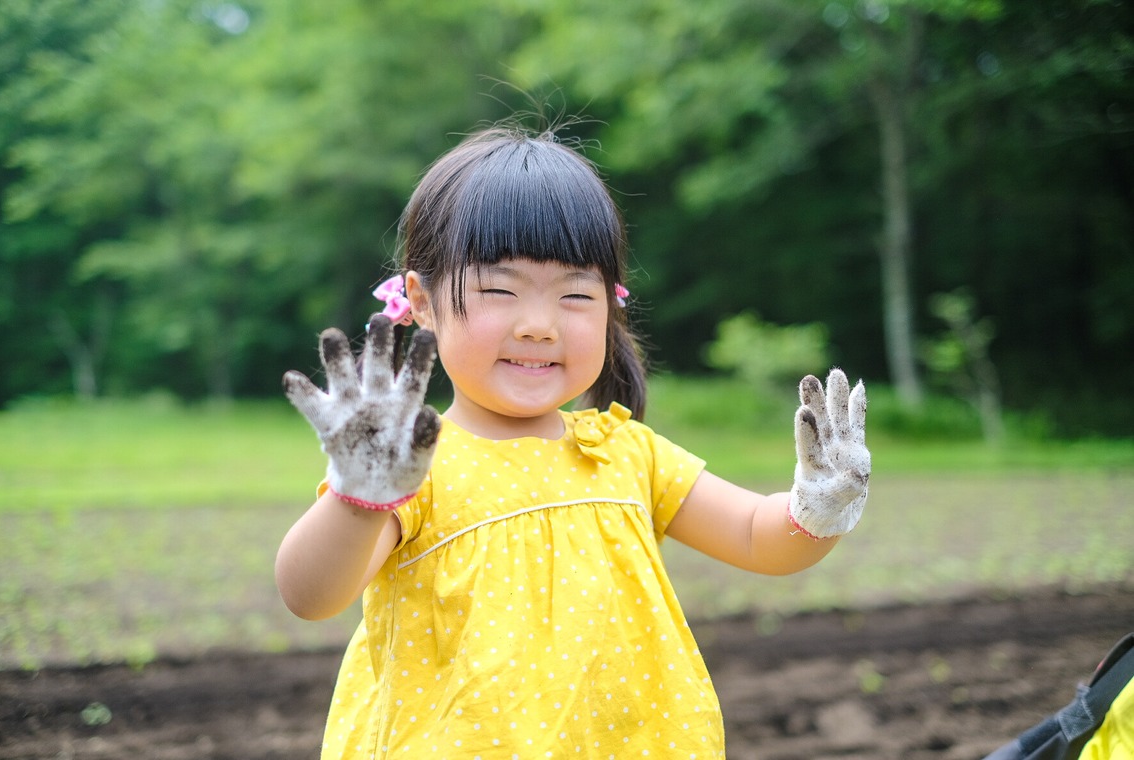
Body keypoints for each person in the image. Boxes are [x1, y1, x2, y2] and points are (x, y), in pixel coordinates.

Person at [275, 126, 871, 759]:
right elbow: (312, 596)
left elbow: (758, 537)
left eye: (575, 295)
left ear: (609, 306)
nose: (538, 325)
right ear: (420, 302)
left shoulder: (627, 452)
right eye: (500, 290)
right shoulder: (411, 466)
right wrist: (356, 495)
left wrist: (819, 506)